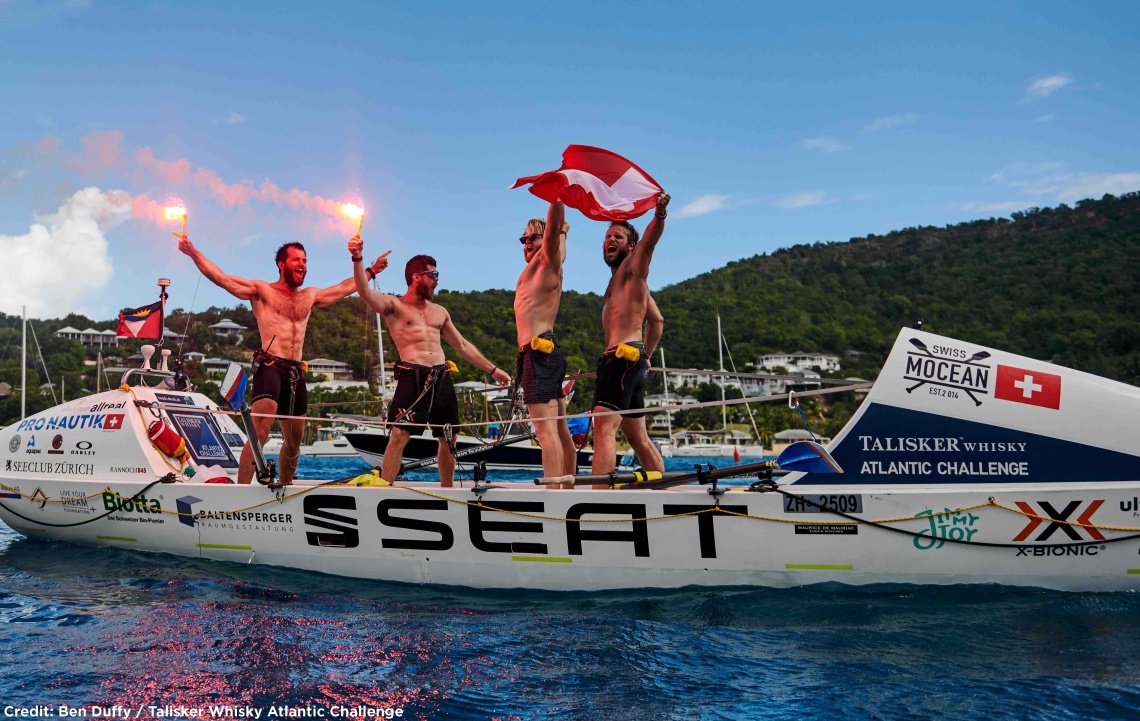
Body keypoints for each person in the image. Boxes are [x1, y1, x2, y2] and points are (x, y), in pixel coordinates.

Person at [176, 232, 388, 485]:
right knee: (260, 432)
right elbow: (220, 278)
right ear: (281, 264)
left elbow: (345, 288)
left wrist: (372, 269)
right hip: (270, 366)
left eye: (305, 260)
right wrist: (192, 251)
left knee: (295, 439)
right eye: (297, 259)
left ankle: (286, 490)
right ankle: (240, 492)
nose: (302, 264)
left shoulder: (309, 295)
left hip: (295, 372)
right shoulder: (261, 290)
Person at [348, 239, 511, 487]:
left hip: (441, 377)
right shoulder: (394, 306)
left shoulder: (440, 311)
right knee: (399, 434)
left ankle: (448, 490)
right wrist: (358, 258)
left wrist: (494, 370)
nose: (437, 280)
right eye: (433, 274)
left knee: (449, 435)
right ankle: (384, 489)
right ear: (416, 277)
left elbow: (463, 345)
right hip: (412, 376)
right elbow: (364, 291)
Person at [591, 192, 671, 476]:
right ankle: (663, 487)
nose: (610, 240)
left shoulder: (635, 269)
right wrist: (645, 357)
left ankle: (598, 501)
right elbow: (657, 321)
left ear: (632, 246)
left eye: (618, 237)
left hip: (622, 360)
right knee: (637, 438)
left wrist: (659, 214)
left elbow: (650, 242)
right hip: (629, 361)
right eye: (607, 236)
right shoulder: (623, 283)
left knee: (603, 429)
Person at [514, 201, 578, 483]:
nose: (527, 242)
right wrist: (563, 233)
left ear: (546, 239)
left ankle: (554, 496)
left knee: (545, 432)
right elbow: (560, 247)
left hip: (539, 353)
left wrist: (557, 195)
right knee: (560, 430)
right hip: (545, 352)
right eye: (523, 238)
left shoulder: (546, 263)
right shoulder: (543, 267)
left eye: (533, 237)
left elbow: (555, 244)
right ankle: (568, 488)